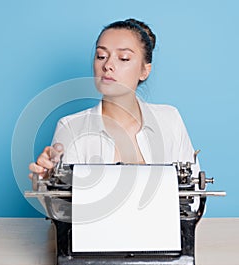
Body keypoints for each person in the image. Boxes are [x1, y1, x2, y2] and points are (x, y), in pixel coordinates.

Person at [29, 18, 199, 180]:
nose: (107, 65)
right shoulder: (71, 127)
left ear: (144, 71)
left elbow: (194, 199)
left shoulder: (170, 119)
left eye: (123, 58)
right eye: (101, 56)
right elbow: (63, 209)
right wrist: (47, 182)